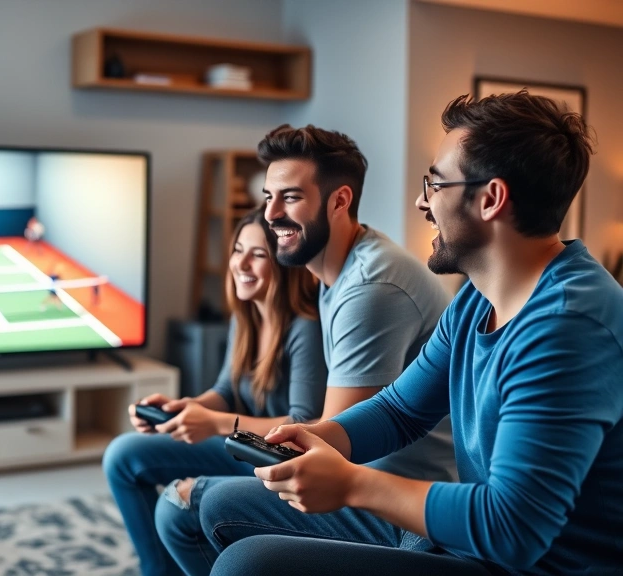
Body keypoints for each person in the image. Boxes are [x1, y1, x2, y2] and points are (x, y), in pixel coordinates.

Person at [211, 92, 623, 575]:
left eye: (435, 183)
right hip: (466, 538)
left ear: (490, 199)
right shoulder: (477, 297)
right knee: (223, 506)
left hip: (524, 564)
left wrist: (349, 484)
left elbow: (514, 528)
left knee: (248, 564)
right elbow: (401, 410)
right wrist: (320, 436)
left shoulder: (568, 327)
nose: (421, 201)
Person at [158, 124, 459, 575]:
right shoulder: (332, 272)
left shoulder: (371, 286)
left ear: (339, 200)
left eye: (290, 198)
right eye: (268, 197)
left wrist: (232, 444)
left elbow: (334, 445)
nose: (271, 214)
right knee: (180, 496)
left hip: (399, 501)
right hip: (372, 478)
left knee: (194, 504)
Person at [103, 206, 328, 576]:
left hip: (274, 458)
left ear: (284, 265)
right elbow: (224, 391)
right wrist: (185, 408)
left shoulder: (305, 328)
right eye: (238, 250)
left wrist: (216, 423)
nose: (241, 263)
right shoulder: (246, 318)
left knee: (171, 496)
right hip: (240, 446)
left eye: (258, 255)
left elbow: (302, 425)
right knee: (122, 455)